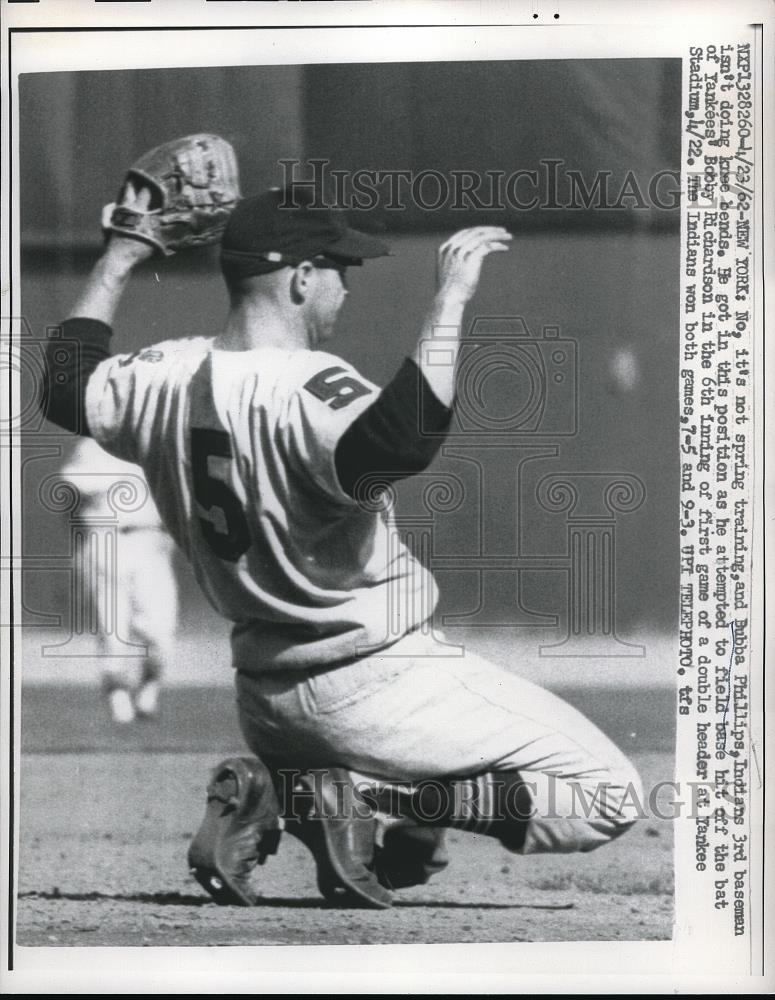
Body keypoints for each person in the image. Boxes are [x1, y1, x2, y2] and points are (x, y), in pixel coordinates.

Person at [42, 184, 642, 909]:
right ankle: (361, 798)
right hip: (376, 683)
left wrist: (123, 253)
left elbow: (66, 387)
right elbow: (398, 444)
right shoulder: (308, 386)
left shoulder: (162, 374)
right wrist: (449, 301)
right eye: (338, 271)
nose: (344, 289)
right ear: (299, 277)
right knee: (608, 796)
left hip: (266, 698)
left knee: (421, 846)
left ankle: (299, 795)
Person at [57, 436, 178, 724]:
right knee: (112, 631)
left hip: (151, 541)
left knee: (161, 632)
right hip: (106, 541)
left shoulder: (159, 443)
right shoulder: (93, 446)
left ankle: (148, 691)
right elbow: (70, 497)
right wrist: (80, 545)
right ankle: (119, 701)